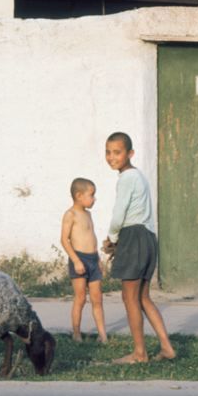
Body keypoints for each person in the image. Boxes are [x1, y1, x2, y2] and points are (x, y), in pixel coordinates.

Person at [102, 132, 176, 364]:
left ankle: (139, 353)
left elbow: (119, 214)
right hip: (147, 238)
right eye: (108, 152)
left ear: (130, 154)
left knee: (129, 298)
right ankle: (167, 347)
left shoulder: (126, 178)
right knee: (143, 297)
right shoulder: (140, 177)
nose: (111, 157)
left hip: (133, 236)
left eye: (117, 152)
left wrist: (112, 238)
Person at [60, 177, 107, 343]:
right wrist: (76, 261)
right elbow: (64, 240)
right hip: (79, 258)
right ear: (79, 195)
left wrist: (99, 259)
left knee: (97, 299)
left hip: (93, 259)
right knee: (80, 298)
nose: (94, 199)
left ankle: (103, 336)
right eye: (91, 195)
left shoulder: (88, 214)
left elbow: (92, 237)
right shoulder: (70, 214)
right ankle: (77, 333)